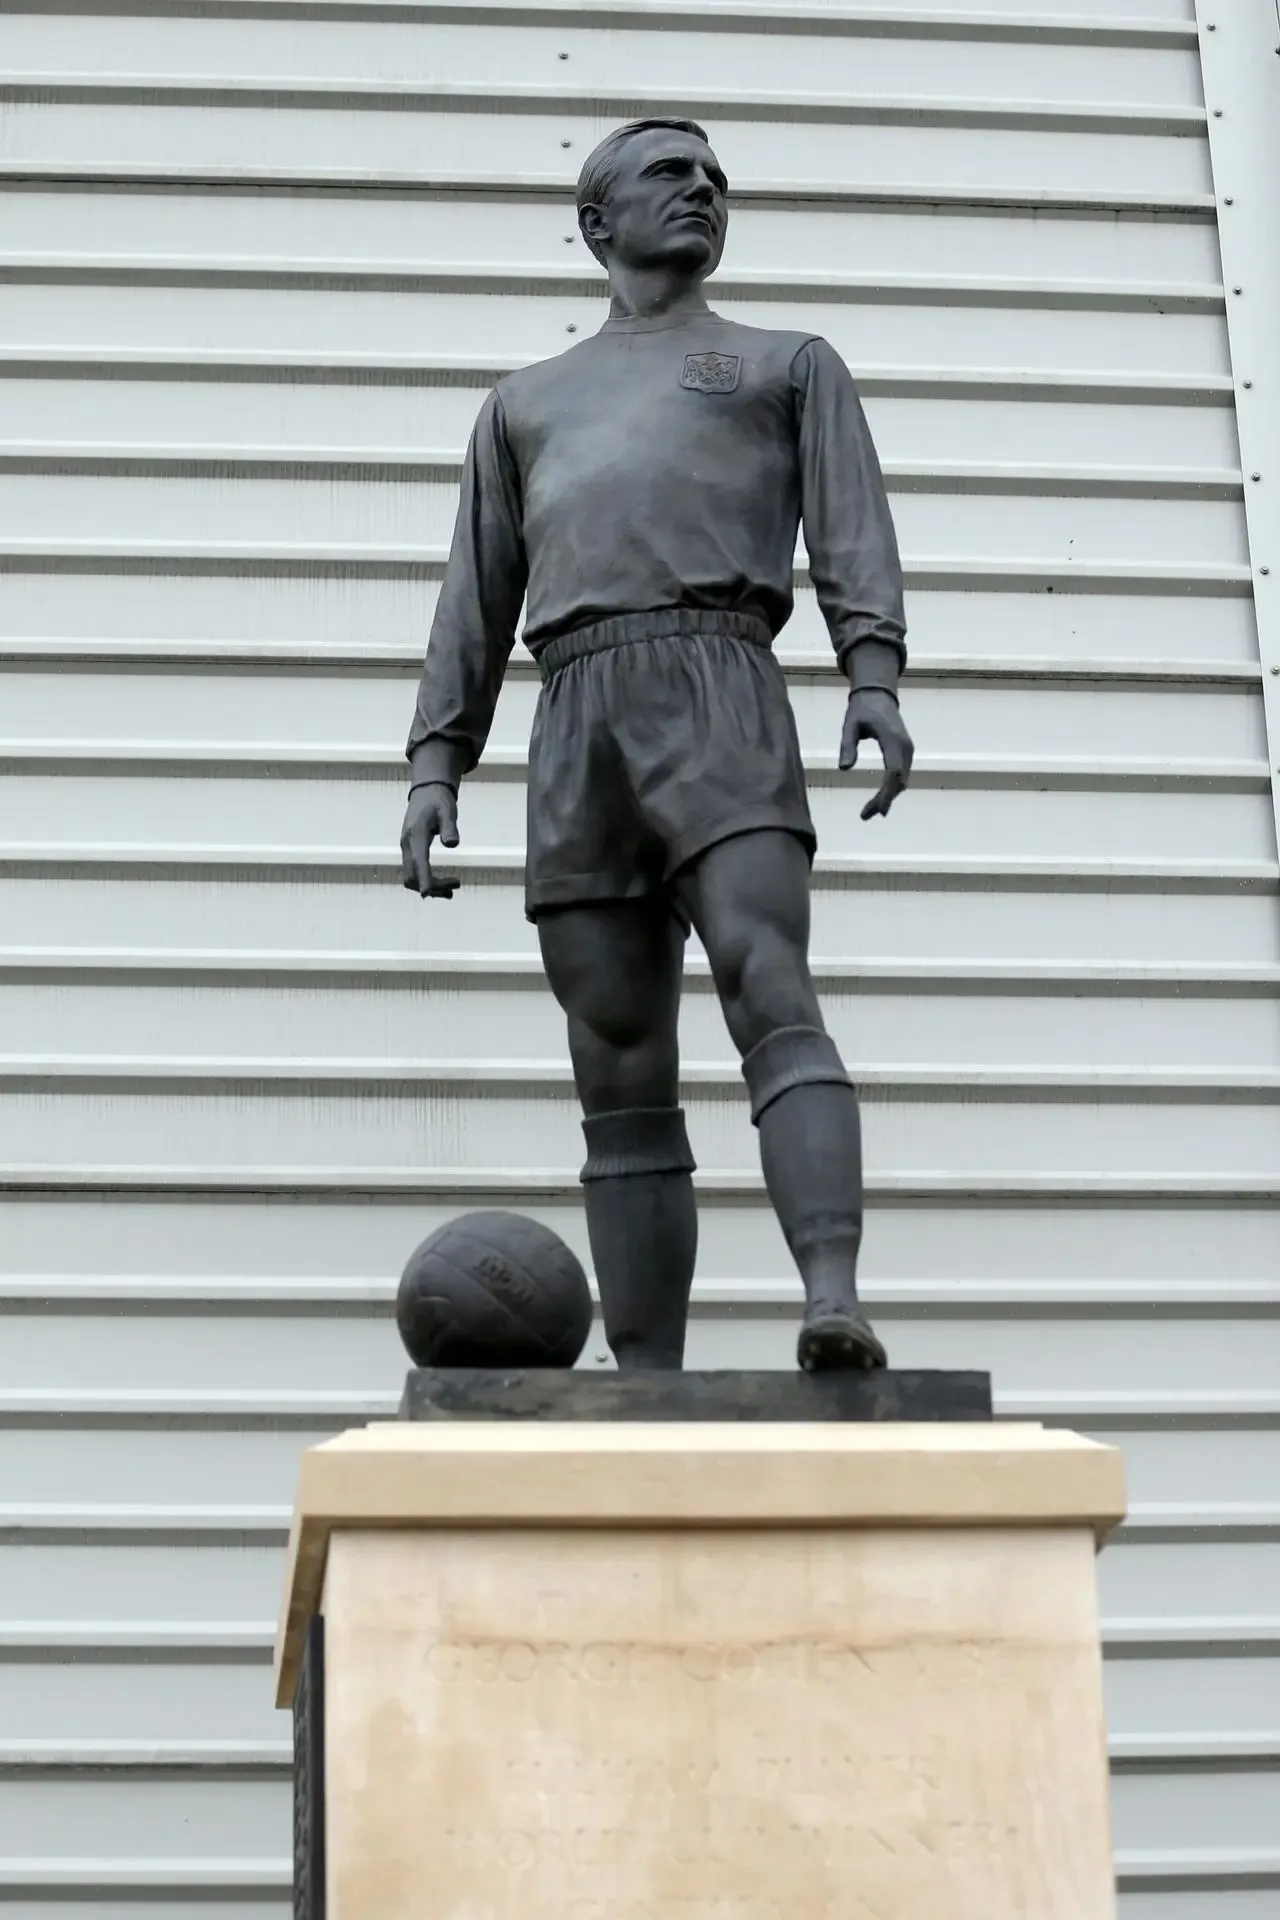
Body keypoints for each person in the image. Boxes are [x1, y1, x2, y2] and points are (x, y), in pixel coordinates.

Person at [401, 117, 913, 1372]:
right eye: (668, 176)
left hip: (717, 682)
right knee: (615, 1058)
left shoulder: (783, 364)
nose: (702, 193)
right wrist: (435, 763)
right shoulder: (523, 406)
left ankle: (831, 1300)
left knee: (766, 977)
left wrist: (871, 671)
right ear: (597, 223)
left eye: (714, 179)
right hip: (574, 709)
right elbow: (475, 594)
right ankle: (644, 1384)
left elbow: (849, 526)